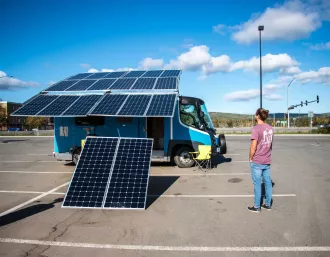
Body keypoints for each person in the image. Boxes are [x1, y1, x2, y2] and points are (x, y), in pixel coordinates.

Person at [248, 108, 274, 213]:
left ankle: (257, 206)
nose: (254, 115)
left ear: (258, 116)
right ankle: (268, 204)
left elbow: (253, 147)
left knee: (257, 184)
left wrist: (250, 158)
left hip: (257, 160)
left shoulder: (256, 129)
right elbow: (270, 145)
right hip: (267, 160)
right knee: (267, 182)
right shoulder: (270, 128)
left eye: (255, 114)